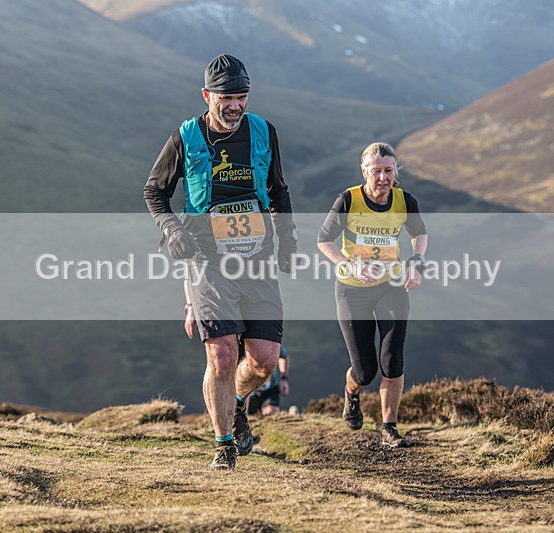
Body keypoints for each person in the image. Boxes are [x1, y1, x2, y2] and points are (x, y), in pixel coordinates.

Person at [144, 54, 297, 470]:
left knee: (264, 360)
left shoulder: (264, 131)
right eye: (226, 97)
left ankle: (240, 401)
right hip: (207, 260)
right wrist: (173, 231)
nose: (235, 105)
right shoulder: (186, 136)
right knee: (223, 356)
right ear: (207, 95)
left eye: (241, 96)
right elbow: (155, 191)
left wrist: (287, 237)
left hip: (257, 258)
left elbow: (279, 190)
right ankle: (224, 445)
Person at [316, 142, 427, 448]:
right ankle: (352, 393)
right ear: (364, 170)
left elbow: (419, 233)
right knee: (365, 371)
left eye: (388, 170)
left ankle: (389, 427)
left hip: (391, 287)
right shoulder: (349, 200)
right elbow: (324, 240)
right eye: (376, 170)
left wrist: (416, 263)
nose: (382, 177)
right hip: (352, 291)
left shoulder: (405, 200)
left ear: (396, 172)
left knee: (392, 361)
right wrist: (348, 264)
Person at [183, 287, 290, 418]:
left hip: (268, 385)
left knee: (261, 363)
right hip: (226, 311)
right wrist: (190, 306)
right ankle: (230, 426)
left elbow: (283, 355)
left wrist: (284, 378)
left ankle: (239, 419)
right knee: (222, 364)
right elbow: (190, 273)